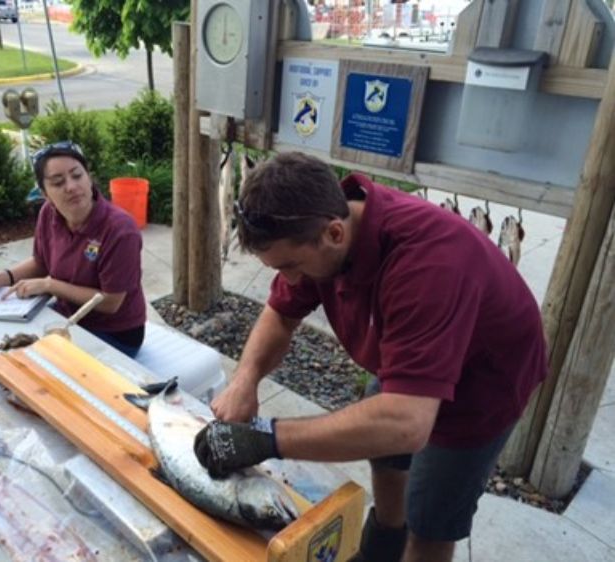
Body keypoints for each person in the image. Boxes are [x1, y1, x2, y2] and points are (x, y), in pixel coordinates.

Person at [193, 152, 548, 562]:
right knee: (382, 440)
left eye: (291, 266)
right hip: (409, 354)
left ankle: (412, 544)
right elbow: (280, 314)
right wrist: (245, 380)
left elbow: (405, 424)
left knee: (431, 518)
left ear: (335, 234)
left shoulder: (427, 265)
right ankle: (384, 540)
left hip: (482, 380)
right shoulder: (319, 234)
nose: (289, 279)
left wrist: (268, 439)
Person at [0, 141, 146, 357]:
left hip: (114, 332)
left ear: (89, 178)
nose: (71, 186)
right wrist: (0, 278)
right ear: (45, 193)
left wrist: (50, 285)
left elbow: (110, 302)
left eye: (77, 175)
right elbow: (41, 262)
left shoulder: (120, 229)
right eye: (58, 182)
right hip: (66, 318)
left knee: (36, 365)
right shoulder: (49, 213)